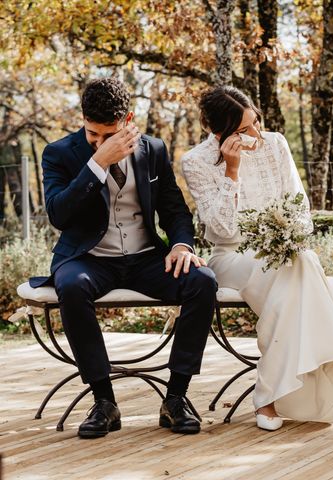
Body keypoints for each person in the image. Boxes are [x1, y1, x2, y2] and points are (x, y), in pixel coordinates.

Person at [181, 86, 333, 432]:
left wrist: (286, 237)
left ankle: (268, 398)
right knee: (299, 268)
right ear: (219, 133)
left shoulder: (275, 144)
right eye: (244, 130)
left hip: (282, 253)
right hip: (232, 257)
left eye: (256, 123)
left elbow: (299, 207)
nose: (255, 134)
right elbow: (221, 231)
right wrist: (231, 170)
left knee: (302, 261)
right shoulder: (196, 161)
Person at [30, 78, 217, 438]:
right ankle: (104, 402)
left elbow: (176, 212)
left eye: (108, 134)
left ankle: (176, 398)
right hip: (90, 259)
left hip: (148, 258)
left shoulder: (155, 150)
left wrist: (181, 246)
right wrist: (97, 163)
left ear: (129, 119)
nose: (99, 141)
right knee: (70, 286)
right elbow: (58, 214)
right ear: (82, 119)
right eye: (91, 133)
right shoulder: (60, 153)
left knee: (202, 281)